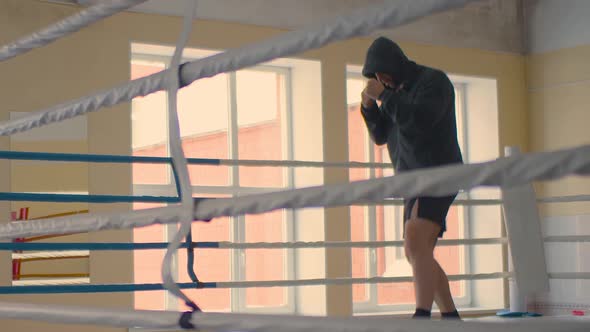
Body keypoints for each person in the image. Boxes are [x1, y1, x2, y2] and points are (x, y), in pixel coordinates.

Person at [360, 36, 463, 320]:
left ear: (393, 65)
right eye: (376, 78)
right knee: (417, 251)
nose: (381, 80)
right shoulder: (395, 91)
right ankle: (451, 317)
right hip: (412, 179)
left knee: (415, 241)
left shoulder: (433, 82)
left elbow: (420, 119)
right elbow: (381, 135)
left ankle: (422, 316)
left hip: (438, 173)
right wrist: (369, 107)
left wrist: (384, 96)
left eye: (382, 74)